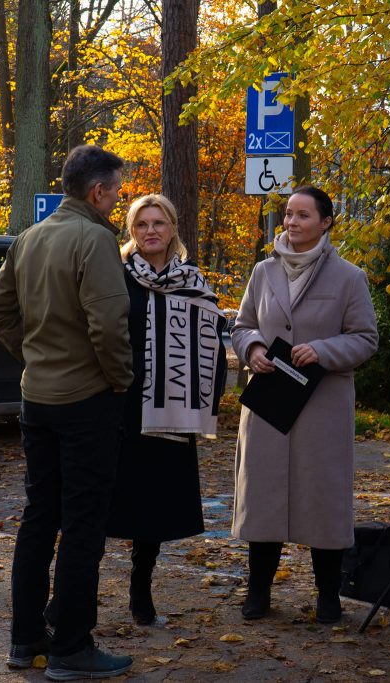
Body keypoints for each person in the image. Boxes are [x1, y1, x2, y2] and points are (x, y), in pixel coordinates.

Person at [0, 145, 135, 680]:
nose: (119, 200)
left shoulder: (30, 237)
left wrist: (34, 356)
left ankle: (26, 639)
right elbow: (110, 325)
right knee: (83, 525)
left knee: (38, 518)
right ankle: (72, 647)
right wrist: (119, 381)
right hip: (85, 402)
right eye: (117, 191)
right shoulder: (94, 239)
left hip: (37, 399)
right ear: (97, 192)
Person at [231, 185, 378, 624]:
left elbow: (366, 338)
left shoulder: (349, 277)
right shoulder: (262, 272)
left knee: (323, 502)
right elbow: (242, 326)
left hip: (322, 408)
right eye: (289, 215)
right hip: (269, 404)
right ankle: (258, 592)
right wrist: (253, 349)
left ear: (326, 222)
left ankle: (327, 596)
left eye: (302, 216)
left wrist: (324, 351)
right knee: (263, 498)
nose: (291, 223)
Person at [106, 194, 227, 626]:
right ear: (131, 232)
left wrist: (207, 405)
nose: (150, 231)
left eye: (158, 223)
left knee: (152, 507)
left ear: (173, 229)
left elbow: (213, 349)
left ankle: (141, 591)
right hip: (120, 409)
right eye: (141, 224)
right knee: (101, 503)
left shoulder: (194, 282)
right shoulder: (116, 277)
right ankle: (73, 594)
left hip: (171, 411)